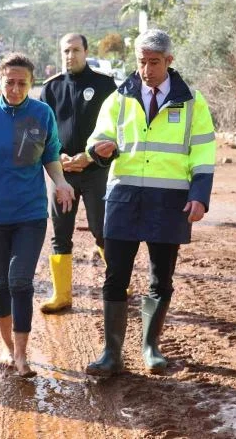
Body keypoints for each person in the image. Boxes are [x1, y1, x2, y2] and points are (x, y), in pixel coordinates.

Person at [84, 29, 216, 377]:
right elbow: (98, 138)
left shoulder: (192, 103)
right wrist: (98, 150)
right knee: (115, 277)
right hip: (124, 196)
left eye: (154, 62)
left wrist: (200, 196)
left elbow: (203, 153)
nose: (146, 69)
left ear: (169, 61)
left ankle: (150, 348)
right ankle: (111, 354)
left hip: (169, 201)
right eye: (141, 62)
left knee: (161, 278)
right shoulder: (118, 98)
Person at [0, 53, 74, 377]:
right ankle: (9, 348)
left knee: (19, 280)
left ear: (31, 83)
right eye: (9, 82)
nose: (15, 88)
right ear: (0, 80)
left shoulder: (40, 114)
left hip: (30, 213)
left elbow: (51, 155)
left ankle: (22, 355)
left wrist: (62, 183)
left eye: (22, 83)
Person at [38, 33, 115, 314]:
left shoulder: (105, 85)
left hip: (96, 171)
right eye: (65, 51)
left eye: (75, 50)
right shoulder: (51, 88)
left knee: (102, 229)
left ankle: (117, 284)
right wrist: (57, 157)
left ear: (86, 51)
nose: (70, 56)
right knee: (60, 232)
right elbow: (39, 131)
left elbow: (116, 130)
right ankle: (62, 295)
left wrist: (89, 156)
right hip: (62, 175)